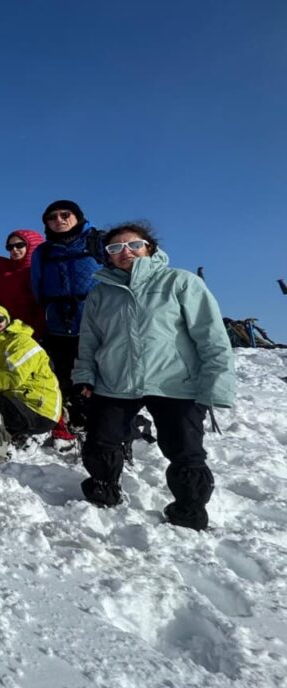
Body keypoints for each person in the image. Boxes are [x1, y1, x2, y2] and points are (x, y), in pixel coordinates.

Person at [73, 222, 235, 529]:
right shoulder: (100, 294)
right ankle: (105, 488)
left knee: (184, 449)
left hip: (174, 382)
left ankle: (189, 508)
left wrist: (216, 385)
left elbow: (211, 336)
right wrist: (85, 376)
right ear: (107, 256)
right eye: (115, 248)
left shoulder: (181, 282)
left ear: (150, 247)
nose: (126, 252)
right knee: (101, 440)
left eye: (133, 244)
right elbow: (90, 340)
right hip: (115, 380)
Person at [30, 200, 103, 427]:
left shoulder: (98, 241)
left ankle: (107, 424)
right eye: (52, 218)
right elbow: (37, 285)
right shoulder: (43, 251)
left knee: (101, 375)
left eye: (65, 214)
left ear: (77, 216)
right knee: (65, 372)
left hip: (98, 323)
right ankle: (76, 419)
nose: (58, 220)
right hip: (59, 323)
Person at [0, 305, 61, 439]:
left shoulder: (21, 342)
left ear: (7, 321)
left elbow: (12, 377)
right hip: (15, 401)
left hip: (37, 410)